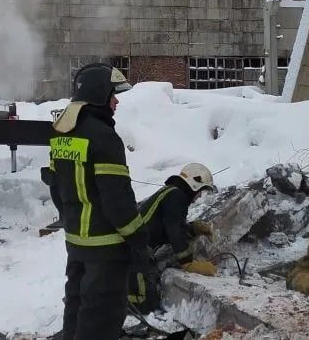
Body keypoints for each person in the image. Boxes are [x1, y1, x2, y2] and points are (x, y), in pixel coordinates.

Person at [48, 63, 148, 340]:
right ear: (100, 95)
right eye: (113, 95)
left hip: (77, 243)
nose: (116, 102)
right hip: (106, 248)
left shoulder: (61, 133)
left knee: (77, 309)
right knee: (101, 320)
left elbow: (56, 190)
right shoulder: (104, 138)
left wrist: (73, 222)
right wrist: (139, 241)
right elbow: (118, 202)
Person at [128, 163, 218, 314]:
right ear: (194, 184)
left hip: (136, 248)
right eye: (201, 191)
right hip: (135, 251)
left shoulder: (172, 192)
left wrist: (193, 229)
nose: (199, 197)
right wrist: (188, 263)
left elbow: (169, 226)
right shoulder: (176, 196)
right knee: (146, 304)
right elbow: (173, 231)